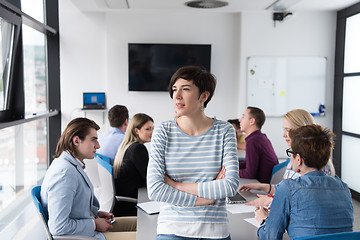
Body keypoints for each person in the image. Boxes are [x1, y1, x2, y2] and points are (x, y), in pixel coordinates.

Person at [147, 66, 240, 240]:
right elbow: (155, 189)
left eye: (186, 89)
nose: (177, 96)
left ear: (204, 96)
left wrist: (176, 185)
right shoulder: (163, 131)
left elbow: (230, 186)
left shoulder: (224, 131)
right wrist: (205, 200)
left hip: (215, 230)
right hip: (172, 229)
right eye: (175, 89)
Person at [40, 118, 136, 240]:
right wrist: (94, 224)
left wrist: (95, 214)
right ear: (76, 140)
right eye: (93, 140)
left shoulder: (70, 164)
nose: (98, 145)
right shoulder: (65, 173)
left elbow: (74, 206)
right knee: (148, 235)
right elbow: (58, 226)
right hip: (86, 236)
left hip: (89, 227)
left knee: (140, 223)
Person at [255, 124, 353, 239]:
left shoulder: (288, 188)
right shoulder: (344, 188)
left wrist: (263, 220)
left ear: (298, 159)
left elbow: (270, 237)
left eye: (290, 153)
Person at [240, 109, 336, 207]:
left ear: (302, 132)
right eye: (284, 129)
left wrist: (271, 200)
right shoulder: (294, 156)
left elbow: (305, 200)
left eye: (288, 130)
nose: (283, 135)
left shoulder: (314, 163)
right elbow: (289, 189)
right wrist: (264, 187)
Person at [112, 113, 154, 217]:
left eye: (153, 128)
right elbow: (149, 179)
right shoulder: (138, 149)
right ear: (136, 130)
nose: (152, 132)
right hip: (131, 205)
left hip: (122, 205)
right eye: (148, 129)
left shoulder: (128, 147)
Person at [238, 107, 278, 183]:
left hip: (261, 185)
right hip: (267, 182)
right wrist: (232, 167)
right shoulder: (260, 137)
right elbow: (249, 163)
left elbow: (250, 174)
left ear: (252, 121)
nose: (240, 120)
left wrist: (229, 173)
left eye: (243, 117)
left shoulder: (253, 141)